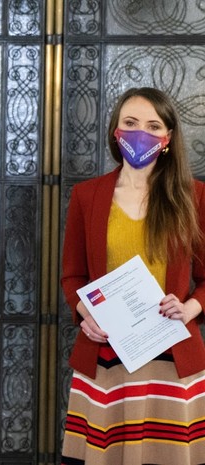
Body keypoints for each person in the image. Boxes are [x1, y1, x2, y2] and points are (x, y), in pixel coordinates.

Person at [61, 87, 205, 464]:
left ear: (168, 138)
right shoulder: (87, 196)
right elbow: (72, 276)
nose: (141, 133)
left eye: (153, 126)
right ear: (116, 131)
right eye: (131, 122)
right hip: (107, 355)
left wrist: (190, 308)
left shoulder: (195, 196)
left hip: (170, 356)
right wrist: (86, 314)